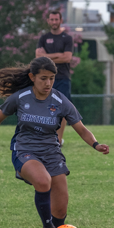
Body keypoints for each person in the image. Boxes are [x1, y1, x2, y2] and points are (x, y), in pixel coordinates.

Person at [0, 57, 109, 228]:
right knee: (44, 181)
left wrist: (96, 145)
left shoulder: (60, 101)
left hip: (51, 152)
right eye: (43, 78)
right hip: (25, 150)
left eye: (52, 78)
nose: (48, 83)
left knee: (61, 207)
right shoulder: (20, 98)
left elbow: (81, 129)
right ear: (32, 77)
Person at [35, 10, 74, 146]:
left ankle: (58, 140)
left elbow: (67, 57)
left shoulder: (67, 38)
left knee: (62, 109)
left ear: (61, 20)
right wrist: (58, 56)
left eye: (56, 19)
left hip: (62, 78)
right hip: (45, 79)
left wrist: (48, 56)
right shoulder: (44, 38)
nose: (54, 22)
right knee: (44, 107)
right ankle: (45, 137)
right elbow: (38, 57)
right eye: (51, 19)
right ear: (48, 21)